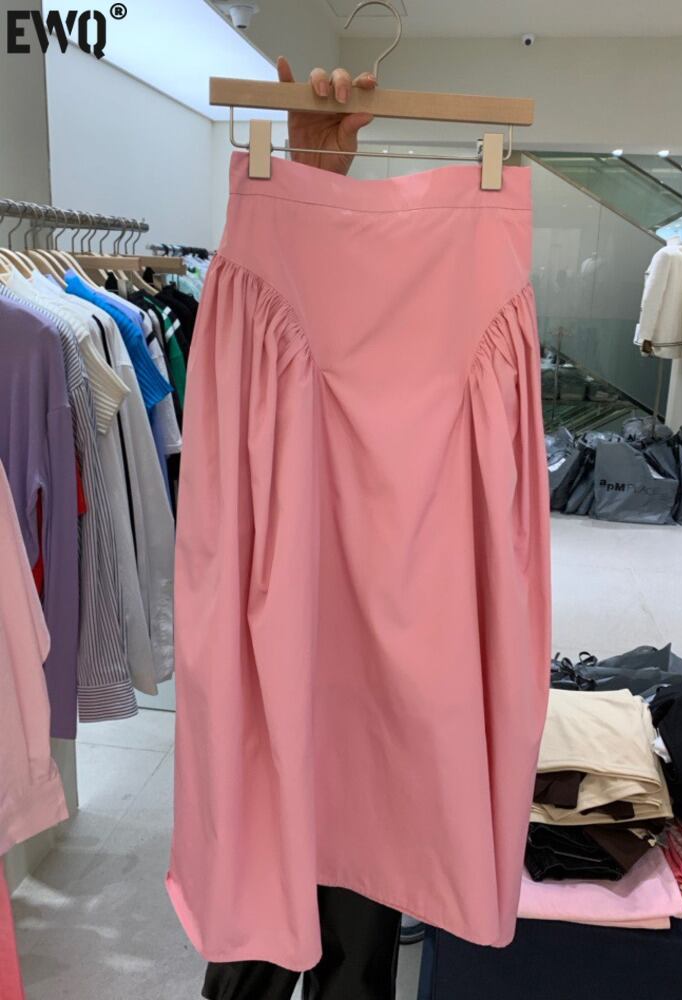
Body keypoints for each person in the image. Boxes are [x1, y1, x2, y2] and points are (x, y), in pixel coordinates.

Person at [201, 60, 405, 1000]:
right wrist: (309, 182)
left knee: (358, 861)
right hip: (279, 612)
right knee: (262, 872)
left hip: (388, 623)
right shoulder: (257, 309)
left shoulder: (436, 319)